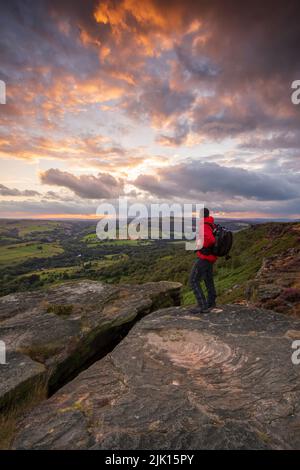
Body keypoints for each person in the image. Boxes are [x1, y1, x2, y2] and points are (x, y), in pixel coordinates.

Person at [189, 208, 217, 313]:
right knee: (208, 279)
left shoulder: (204, 225)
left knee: (193, 280)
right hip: (210, 257)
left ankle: (202, 305)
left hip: (205, 258)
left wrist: (201, 245)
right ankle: (211, 302)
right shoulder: (210, 223)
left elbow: (210, 240)